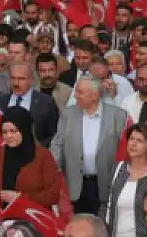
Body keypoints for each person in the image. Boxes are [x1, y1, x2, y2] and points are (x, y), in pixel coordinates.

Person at [50, 77, 128, 215]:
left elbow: (125, 150)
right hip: (75, 185)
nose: (75, 96)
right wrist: (51, 168)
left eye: (80, 92)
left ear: (95, 95)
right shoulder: (68, 114)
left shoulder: (118, 116)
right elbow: (58, 144)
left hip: (105, 184)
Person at [0, 106, 63, 211]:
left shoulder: (43, 156)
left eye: (13, 131)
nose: (8, 136)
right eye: (4, 132)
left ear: (24, 130)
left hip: (34, 218)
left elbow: (53, 195)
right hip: (1, 219)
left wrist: (20, 198)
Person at [101, 123, 147, 237]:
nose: (133, 144)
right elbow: (105, 204)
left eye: (139, 140)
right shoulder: (118, 169)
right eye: (131, 139)